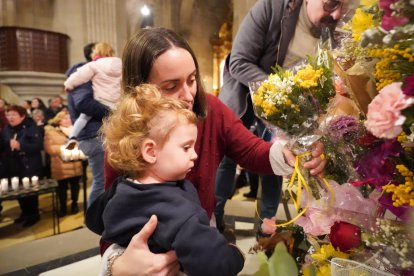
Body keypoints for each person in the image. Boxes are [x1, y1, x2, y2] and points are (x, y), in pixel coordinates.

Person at [102, 27, 326, 275]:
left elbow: (251, 150)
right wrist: (118, 266)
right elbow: (110, 220)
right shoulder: (126, 134)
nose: (188, 95)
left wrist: (292, 151)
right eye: (170, 86)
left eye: (192, 80)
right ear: (141, 89)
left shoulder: (212, 110)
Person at [216, 0, 349, 235]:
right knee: (227, 157)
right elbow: (238, 62)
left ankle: (267, 229)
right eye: (331, 4)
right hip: (245, 96)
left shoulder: (335, 29)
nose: (337, 14)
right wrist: (279, 91)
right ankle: (213, 219)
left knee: (278, 161)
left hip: (292, 108)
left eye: (343, 7)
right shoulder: (271, 8)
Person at [86, 84, 245, 276]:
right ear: (151, 151)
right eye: (186, 147)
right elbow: (216, 265)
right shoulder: (179, 212)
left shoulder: (122, 185)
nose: (194, 155)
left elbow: (94, 220)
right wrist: (236, 255)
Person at [66, 43, 109, 207]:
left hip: (95, 134)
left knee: (106, 181)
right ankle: (93, 222)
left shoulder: (88, 74)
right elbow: (84, 103)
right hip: (94, 136)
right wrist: (113, 112)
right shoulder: (84, 74)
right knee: (102, 182)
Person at [64, 42, 121, 149]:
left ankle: (72, 137)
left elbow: (78, 77)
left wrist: (68, 85)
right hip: (117, 102)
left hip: (101, 99)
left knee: (84, 116)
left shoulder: (94, 65)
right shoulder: (121, 64)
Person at [0, 105, 43, 227]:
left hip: (29, 165)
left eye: (13, 115)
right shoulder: (7, 128)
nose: (10, 117)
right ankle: (25, 213)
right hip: (13, 165)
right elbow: (4, 144)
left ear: (22, 116)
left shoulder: (31, 127)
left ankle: (33, 215)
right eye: (8, 115)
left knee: (30, 192)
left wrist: (21, 146)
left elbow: (38, 146)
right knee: (18, 190)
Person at [44, 110, 83, 217]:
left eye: (69, 118)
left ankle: (74, 204)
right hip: (60, 165)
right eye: (65, 118)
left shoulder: (77, 130)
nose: (68, 120)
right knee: (62, 188)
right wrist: (63, 148)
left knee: (75, 186)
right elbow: (49, 148)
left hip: (75, 164)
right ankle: (63, 207)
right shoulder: (51, 132)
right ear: (59, 120)